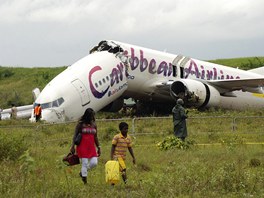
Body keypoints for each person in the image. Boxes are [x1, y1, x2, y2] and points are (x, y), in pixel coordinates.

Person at [70, 108, 101, 184]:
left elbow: (95, 137)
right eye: (91, 116)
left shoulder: (94, 125)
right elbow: (75, 135)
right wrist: (72, 146)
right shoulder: (80, 124)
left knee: (94, 162)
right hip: (82, 146)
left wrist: (99, 147)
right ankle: (85, 181)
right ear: (87, 116)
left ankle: (82, 172)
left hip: (91, 147)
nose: (93, 117)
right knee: (84, 163)